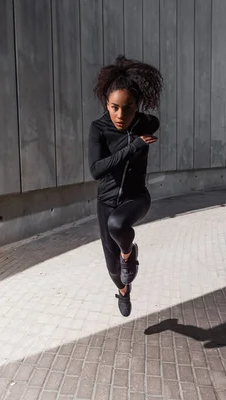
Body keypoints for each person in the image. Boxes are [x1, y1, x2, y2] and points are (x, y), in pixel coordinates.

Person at [88, 55, 162, 317]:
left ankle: (129, 254)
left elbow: (154, 122)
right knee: (113, 271)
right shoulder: (99, 129)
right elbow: (96, 169)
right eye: (114, 107)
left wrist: (137, 133)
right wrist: (133, 147)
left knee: (118, 225)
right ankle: (123, 291)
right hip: (106, 201)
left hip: (136, 198)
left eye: (128, 108)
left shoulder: (144, 123)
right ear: (106, 104)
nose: (121, 115)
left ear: (137, 106)